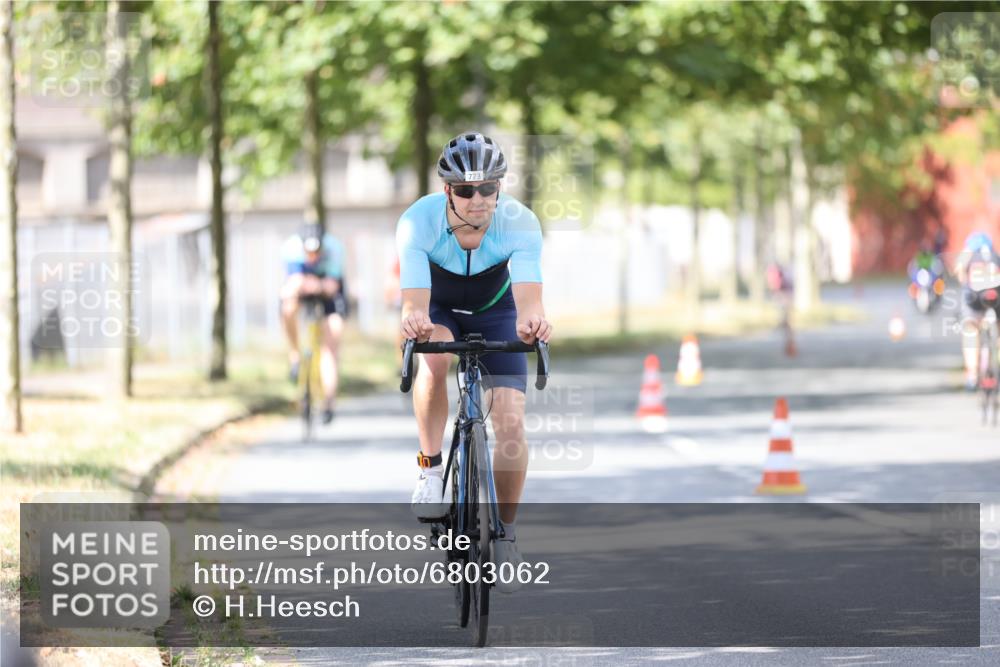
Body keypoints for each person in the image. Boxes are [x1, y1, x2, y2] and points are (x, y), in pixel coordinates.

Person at [396, 132, 551, 593]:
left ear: (500, 188)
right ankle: (429, 469)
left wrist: (533, 325)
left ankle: (506, 533)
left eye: (488, 188)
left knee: (510, 423)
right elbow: (414, 306)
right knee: (434, 360)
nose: (478, 199)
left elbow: (528, 303)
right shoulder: (417, 222)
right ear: (447, 190)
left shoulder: (520, 223)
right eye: (465, 190)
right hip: (438, 311)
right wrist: (414, 324)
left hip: (497, 312)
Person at [280, 223, 347, 424]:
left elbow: (331, 286)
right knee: (288, 307)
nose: (312, 256)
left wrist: (313, 284)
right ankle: (294, 356)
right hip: (306, 286)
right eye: (308, 253)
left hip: (328, 290)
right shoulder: (291, 248)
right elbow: (291, 286)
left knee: (332, 337)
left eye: (316, 252)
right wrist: (305, 285)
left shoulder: (334, 249)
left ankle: (329, 401)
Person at [954, 231, 1000, 390]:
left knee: (970, 330)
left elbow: (960, 276)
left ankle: (972, 375)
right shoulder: (994, 255)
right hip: (996, 297)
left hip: (974, 299)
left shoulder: (968, 255)